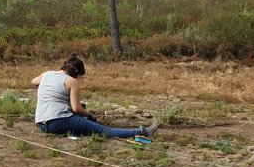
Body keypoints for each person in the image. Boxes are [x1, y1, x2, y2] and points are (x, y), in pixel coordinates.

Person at [32, 55, 160, 139]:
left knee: (85, 129)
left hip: (43, 124)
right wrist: (89, 115)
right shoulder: (71, 81)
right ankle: (141, 132)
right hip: (59, 120)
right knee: (104, 130)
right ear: (76, 73)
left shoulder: (47, 74)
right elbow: (76, 108)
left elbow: (33, 81)